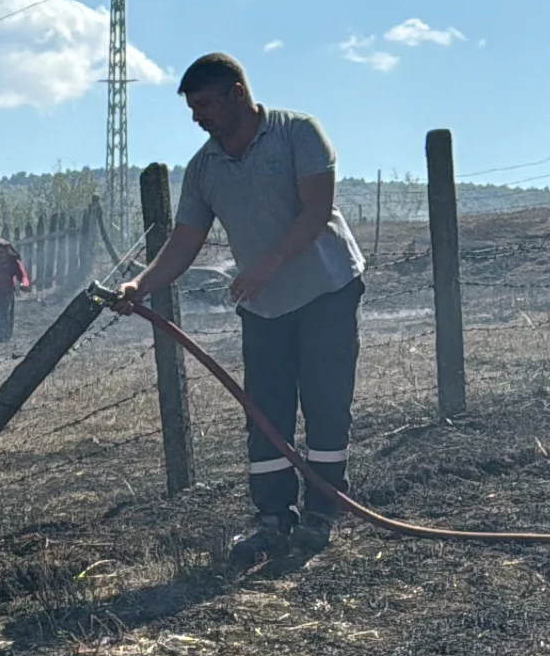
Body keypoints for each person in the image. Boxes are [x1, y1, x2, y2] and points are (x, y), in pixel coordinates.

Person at [110, 52, 366, 567]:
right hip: (264, 306)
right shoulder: (205, 169)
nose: (197, 117)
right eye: (192, 108)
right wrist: (139, 282)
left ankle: (322, 512)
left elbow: (316, 209)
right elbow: (184, 242)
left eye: (204, 103)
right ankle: (273, 520)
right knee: (264, 413)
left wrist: (270, 262)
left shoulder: (298, 134)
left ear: (236, 93)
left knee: (324, 403)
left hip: (327, 291)